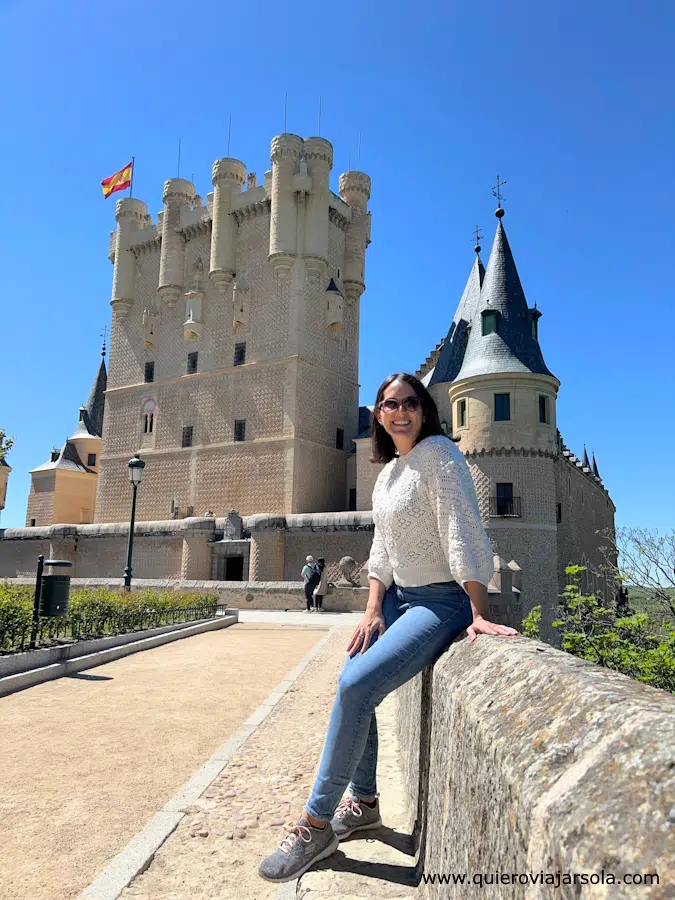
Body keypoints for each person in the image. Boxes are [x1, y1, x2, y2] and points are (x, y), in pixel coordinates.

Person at [259, 373, 518, 883]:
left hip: (442, 602)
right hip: (401, 600)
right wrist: (374, 607)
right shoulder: (389, 473)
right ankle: (364, 801)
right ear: (378, 414)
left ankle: (315, 824)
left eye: (409, 403)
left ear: (424, 411)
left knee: (357, 686)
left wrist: (478, 608)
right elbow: (383, 550)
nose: (400, 411)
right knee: (353, 678)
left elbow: (461, 527)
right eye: (389, 404)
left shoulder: (441, 455)